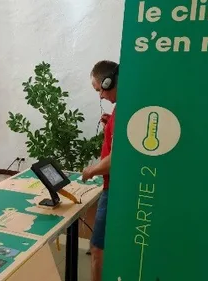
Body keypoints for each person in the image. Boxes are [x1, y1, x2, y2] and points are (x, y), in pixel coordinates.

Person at [81, 60, 118, 281]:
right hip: (112, 186)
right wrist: (109, 123)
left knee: (97, 249)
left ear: (108, 81)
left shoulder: (122, 108)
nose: (100, 96)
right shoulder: (120, 108)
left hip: (111, 187)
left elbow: (117, 158)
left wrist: (91, 171)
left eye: (99, 90)